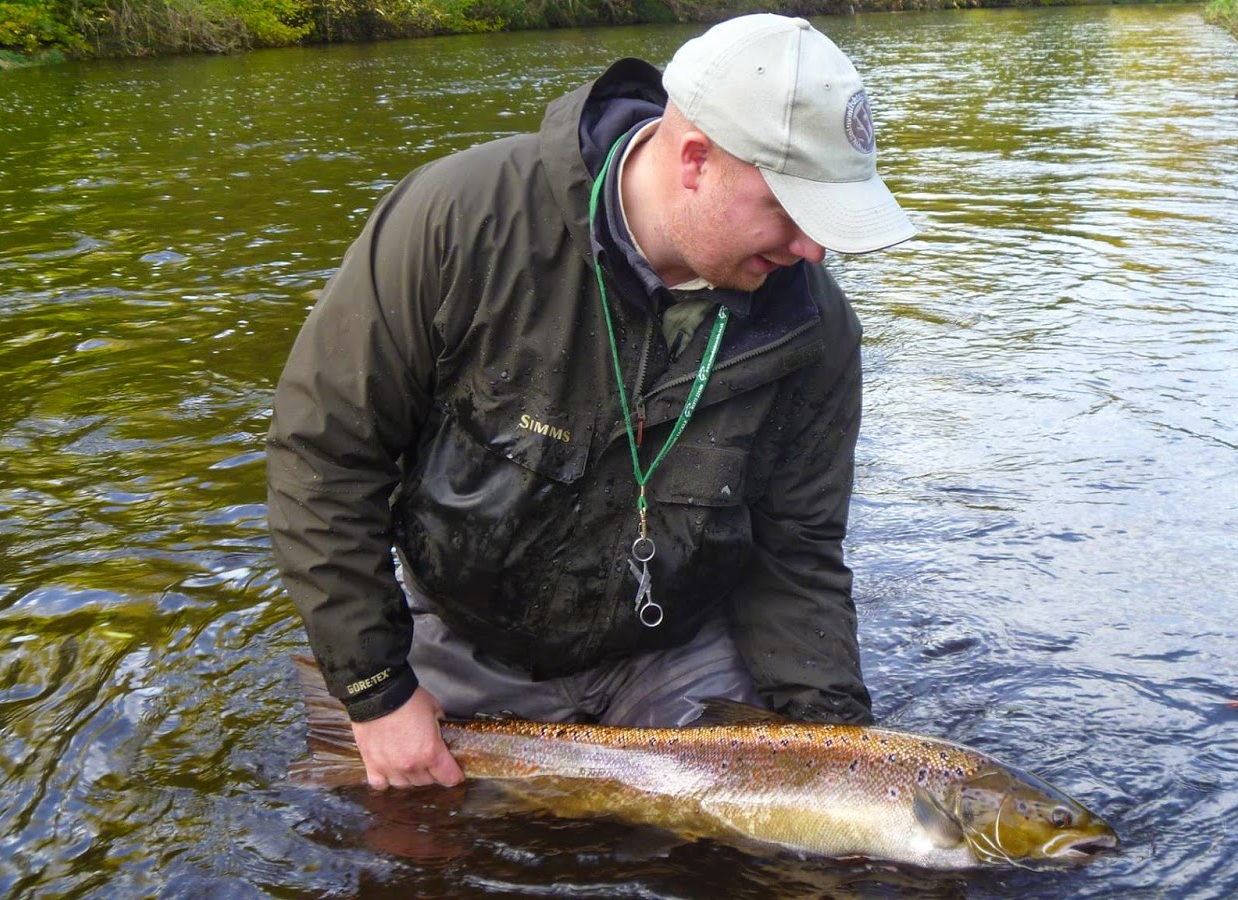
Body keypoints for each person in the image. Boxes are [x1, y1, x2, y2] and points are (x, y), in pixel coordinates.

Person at [266, 13, 916, 790]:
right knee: (411, 835)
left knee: (776, 842)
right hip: (468, 640)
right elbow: (325, 457)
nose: (814, 249)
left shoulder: (813, 328)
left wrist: (838, 759)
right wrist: (375, 690)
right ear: (696, 160)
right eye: (791, 210)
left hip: (672, 654)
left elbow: (796, 554)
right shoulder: (462, 223)